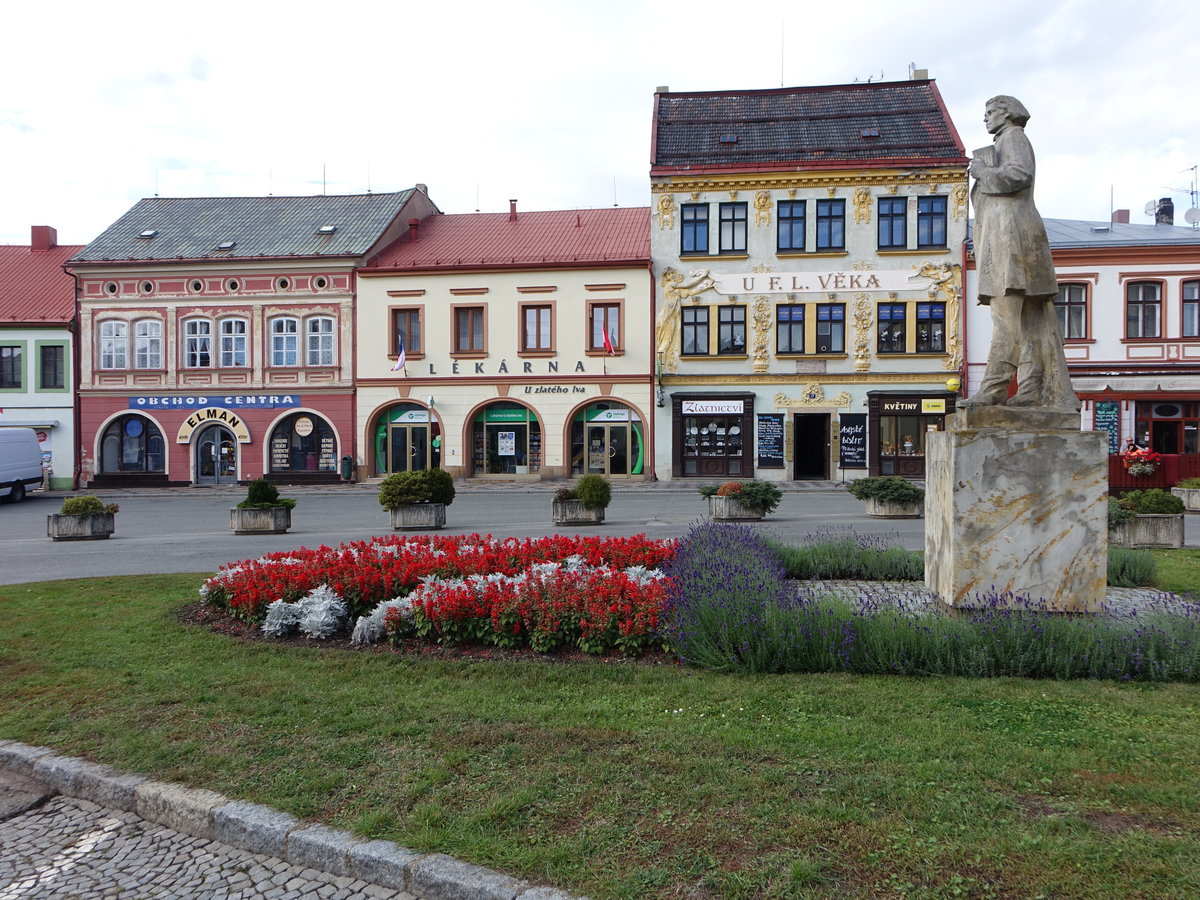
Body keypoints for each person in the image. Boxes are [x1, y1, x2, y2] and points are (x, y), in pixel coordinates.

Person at [962, 96, 1078, 412]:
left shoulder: (1013, 137)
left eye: (990, 112)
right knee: (1031, 325)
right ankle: (1032, 389)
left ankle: (993, 390)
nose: (985, 118)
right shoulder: (1005, 141)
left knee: (1007, 320)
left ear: (1008, 113)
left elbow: (1018, 175)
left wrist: (983, 170)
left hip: (1011, 243)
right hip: (1011, 240)